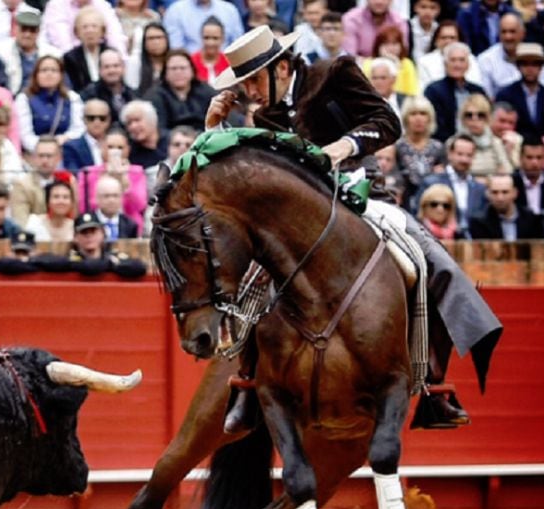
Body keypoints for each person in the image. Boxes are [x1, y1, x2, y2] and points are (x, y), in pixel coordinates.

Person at [205, 24, 502, 430]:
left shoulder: (335, 73)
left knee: (430, 262)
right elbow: (247, 172)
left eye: (254, 79)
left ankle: (434, 387)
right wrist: (215, 129)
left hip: (363, 196)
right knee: (248, 278)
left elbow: (387, 121)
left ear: (280, 68)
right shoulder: (266, 115)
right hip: (299, 218)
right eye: (244, 83)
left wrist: (344, 147)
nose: (250, 92)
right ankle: (248, 383)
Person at [413, 134, 488, 236]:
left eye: (469, 155)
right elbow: (418, 215)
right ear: (450, 154)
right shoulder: (431, 182)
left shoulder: (480, 188)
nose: (464, 159)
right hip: (438, 242)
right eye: (460, 154)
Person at [78, 127, 147, 226]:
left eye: (120, 148)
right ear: (102, 148)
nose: (115, 152)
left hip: (131, 226)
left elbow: (140, 206)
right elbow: (84, 207)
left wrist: (123, 180)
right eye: (110, 147)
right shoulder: (88, 172)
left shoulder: (136, 171)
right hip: (95, 226)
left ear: (128, 149)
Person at [15, 56, 84, 153]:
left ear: (61, 75)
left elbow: (79, 128)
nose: (49, 74)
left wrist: (66, 138)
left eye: (54, 70)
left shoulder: (72, 97)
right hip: (35, 153)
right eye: (44, 70)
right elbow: (25, 135)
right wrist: (45, 148)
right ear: (36, 75)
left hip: (65, 149)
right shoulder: (24, 98)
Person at [423, 42, 487, 142]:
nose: (457, 65)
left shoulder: (478, 91)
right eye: (453, 60)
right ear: (445, 64)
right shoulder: (433, 91)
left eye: (462, 60)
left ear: (468, 65)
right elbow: (434, 126)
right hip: (445, 144)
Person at [0, 8, 60, 97]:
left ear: (38, 32)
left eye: (32, 30)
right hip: (12, 99)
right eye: (24, 29)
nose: (27, 34)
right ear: (16, 29)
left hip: (44, 99)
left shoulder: (53, 54)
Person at [495, 43, 544, 138]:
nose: (530, 69)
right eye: (524, 64)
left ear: (541, 67)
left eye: (535, 64)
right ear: (518, 66)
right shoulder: (505, 95)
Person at [143, 48, 215, 132]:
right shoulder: (154, 96)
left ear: (192, 71)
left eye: (183, 68)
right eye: (173, 68)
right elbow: (158, 130)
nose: (178, 72)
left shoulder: (206, 91)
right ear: (165, 73)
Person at [395, 95, 446, 206]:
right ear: (405, 118)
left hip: (432, 202)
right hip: (403, 201)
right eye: (413, 114)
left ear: (430, 118)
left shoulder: (438, 147)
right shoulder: (397, 147)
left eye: (423, 114)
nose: (418, 118)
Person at [62, 211, 146, 277]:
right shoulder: (71, 258)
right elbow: (50, 262)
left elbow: (139, 267)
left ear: (103, 234)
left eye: (93, 231)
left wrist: (109, 264)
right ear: (75, 237)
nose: (89, 236)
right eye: (84, 232)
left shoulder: (112, 257)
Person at [469, 173, 544, 240]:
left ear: (515, 193)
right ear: (488, 194)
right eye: (495, 192)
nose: (500, 198)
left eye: (505, 192)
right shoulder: (479, 222)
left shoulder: (530, 219)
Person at [512, 133, 544, 236]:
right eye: (529, 157)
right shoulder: (512, 182)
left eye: (539, 158)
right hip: (519, 235)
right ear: (521, 158)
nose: (534, 163)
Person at [41, 0, 127, 56]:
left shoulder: (102, 5)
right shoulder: (56, 5)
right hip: (69, 60)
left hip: (100, 55)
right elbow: (63, 43)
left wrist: (118, 58)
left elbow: (115, 37)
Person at [459, 93, 515, 179]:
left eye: (480, 115)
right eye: (469, 115)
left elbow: (507, 171)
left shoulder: (496, 142)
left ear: (488, 118)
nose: (474, 119)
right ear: (463, 118)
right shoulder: (454, 143)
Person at [415, 20, 484, 91]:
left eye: (452, 38)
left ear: (459, 40)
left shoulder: (469, 58)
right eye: (443, 37)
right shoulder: (424, 62)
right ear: (436, 41)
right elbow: (423, 89)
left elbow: (476, 84)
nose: (448, 41)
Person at [10, 137, 63, 226]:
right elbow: (21, 223)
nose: (45, 160)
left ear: (59, 158)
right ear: (33, 158)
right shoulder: (21, 185)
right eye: (41, 156)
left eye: (49, 156)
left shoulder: (67, 181)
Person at [78, 48, 136, 127]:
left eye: (116, 66)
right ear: (99, 70)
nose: (111, 70)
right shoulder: (89, 95)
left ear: (123, 68)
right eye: (107, 67)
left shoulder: (133, 94)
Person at [163, 0, 243, 56]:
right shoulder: (175, 11)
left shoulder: (229, 10)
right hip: (191, 70)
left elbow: (238, 45)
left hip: (226, 67)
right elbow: (176, 50)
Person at [62, 6, 110, 90]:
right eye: (85, 27)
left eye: (94, 26)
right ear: (76, 32)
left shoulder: (111, 53)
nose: (89, 31)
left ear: (103, 31)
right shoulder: (70, 58)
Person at [340, 0, 407, 59]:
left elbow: (402, 55)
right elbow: (350, 57)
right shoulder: (351, 20)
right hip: (358, 70)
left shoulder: (399, 22)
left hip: (393, 68)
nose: (379, 2)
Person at [24, 174, 77, 242]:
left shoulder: (75, 227)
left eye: (65, 197)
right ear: (47, 201)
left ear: (71, 203)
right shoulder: (35, 223)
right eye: (56, 197)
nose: (61, 201)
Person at [63, 98, 110, 171]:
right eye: (91, 118)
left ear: (109, 120)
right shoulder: (71, 147)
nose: (97, 122)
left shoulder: (117, 144)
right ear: (83, 119)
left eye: (102, 118)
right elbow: (74, 174)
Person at [120, 99, 166, 169]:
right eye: (129, 123)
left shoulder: (172, 141)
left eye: (137, 120)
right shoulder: (130, 153)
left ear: (152, 119)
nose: (133, 126)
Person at [125, 22, 168, 95]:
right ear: (144, 42)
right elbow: (132, 90)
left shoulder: (173, 61)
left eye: (159, 37)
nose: (156, 42)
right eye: (151, 38)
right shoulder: (135, 62)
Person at [93, 173, 139, 239]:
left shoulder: (130, 224)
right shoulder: (88, 223)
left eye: (115, 195)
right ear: (97, 198)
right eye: (106, 196)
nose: (111, 200)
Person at [191, 17, 230, 87]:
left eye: (215, 38)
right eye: (206, 38)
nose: (210, 43)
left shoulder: (229, 62)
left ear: (223, 39)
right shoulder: (191, 62)